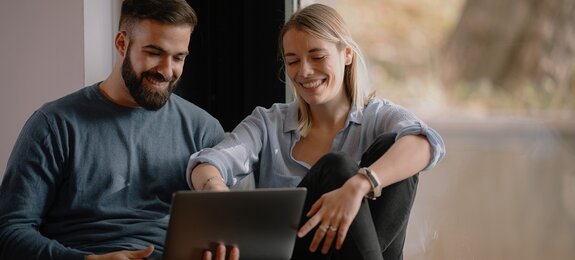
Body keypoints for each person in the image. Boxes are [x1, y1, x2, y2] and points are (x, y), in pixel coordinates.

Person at [187, 3, 446, 260]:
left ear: (346, 54)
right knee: (336, 168)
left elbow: (426, 143)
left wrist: (359, 185)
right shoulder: (269, 122)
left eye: (317, 56)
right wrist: (217, 194)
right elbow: (206, 164)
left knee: (393, 147)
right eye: (292, 61)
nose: (304, 71)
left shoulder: (376, 116)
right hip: (292, 253)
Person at [0, 0, 238, 259]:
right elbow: (10, 231)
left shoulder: (203, 129)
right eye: (154, 52)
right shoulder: (53, 124)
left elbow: (222, 230)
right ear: (122, 43)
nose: (167, 71)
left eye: (178, 57)